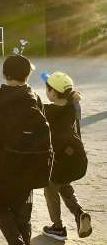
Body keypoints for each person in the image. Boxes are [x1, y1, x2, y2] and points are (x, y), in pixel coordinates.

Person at [0, 55, 45, 245]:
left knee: (0, 206)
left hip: (2, 166)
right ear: (28, 75)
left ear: (4, 74)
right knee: (24, 213)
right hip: (29, 165)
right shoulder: (34, 97)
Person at [40, 71, 92, 240]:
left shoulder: (47, 111)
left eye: (47, 89)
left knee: (50, 188)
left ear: (53, 93)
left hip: (61, 160)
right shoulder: (72, 106)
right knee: (62, 184)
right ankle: (79, 214)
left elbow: (31, 106)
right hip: (77, 158)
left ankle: (57, 227)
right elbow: (73, 96)